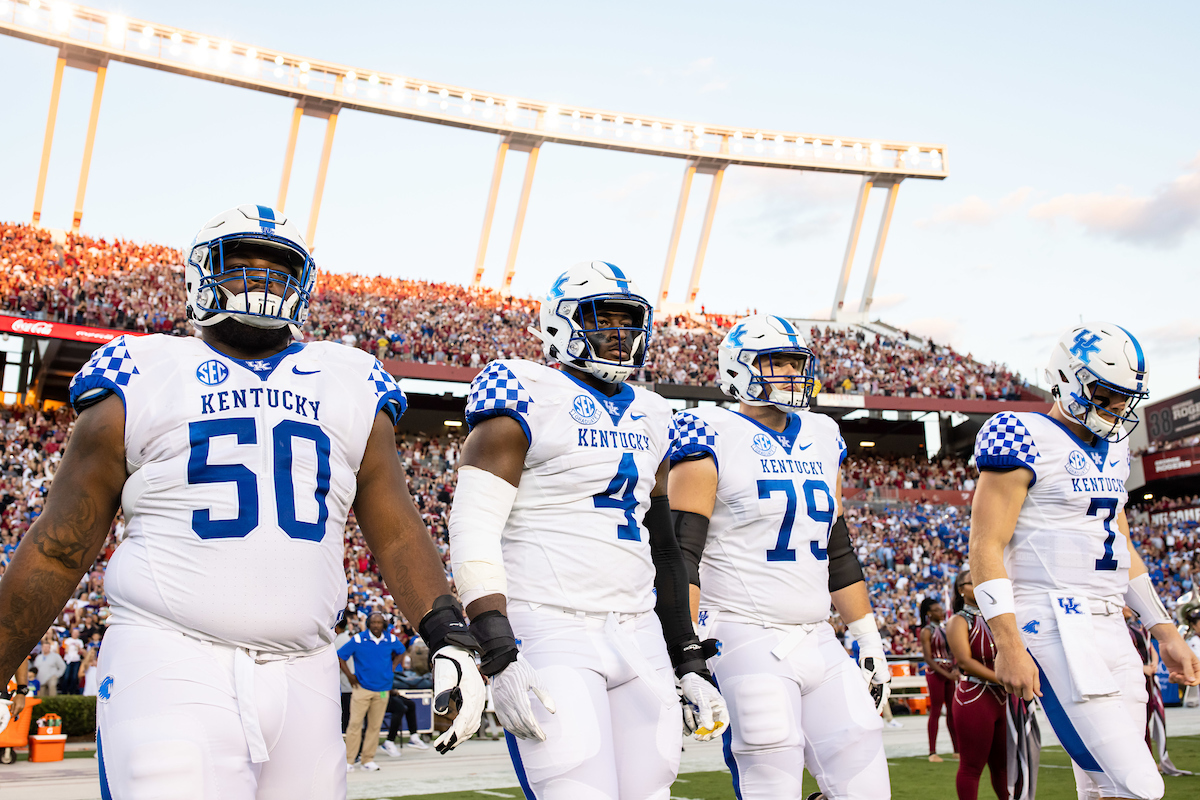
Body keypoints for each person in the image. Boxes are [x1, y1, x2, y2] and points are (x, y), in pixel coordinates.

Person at [0, 205, 486, 800]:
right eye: (243, 264)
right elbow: (59, 545)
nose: (260, 279)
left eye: (276, 268)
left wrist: (445, 630)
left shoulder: (348, 379)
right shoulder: (143, 371)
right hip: (172, 659)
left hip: (307, 669)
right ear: (201, 275)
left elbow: (397, 529)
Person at [448, 261, 727, 800]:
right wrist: (498, 647)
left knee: (652, 790)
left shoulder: (655, 412)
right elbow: (473, 526)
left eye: (630, 322)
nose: (620, 334)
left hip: (638, 627)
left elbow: (666, 548)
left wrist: (687, 656)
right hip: (550, 624)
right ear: (561, 324)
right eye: (605, 319)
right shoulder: (525, 388)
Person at [969, 322, 1200, 800]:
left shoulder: (1115, 447)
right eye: (1106, 393)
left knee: (1104, 789)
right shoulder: (1020, 432)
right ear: (1067, 376)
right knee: (1140, 786)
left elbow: (1121, 543)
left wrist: (1167, 631)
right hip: (1052, 621)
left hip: (1112, 625)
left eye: (1124, 398)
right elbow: (985, 545)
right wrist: (1008, 644)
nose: (1117, 408)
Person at [667, 314, 891, 800]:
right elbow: (682, 553)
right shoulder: (708, 430)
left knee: (866, 774)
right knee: (771, 771)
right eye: (776, 363)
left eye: (796, 363)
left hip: (818, 635)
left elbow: (837, 545)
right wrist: (685, 651)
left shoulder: (824, 432)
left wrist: (868, 637)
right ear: (739, 368)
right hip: (743, 631)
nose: (791, 374)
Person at [946, 569, 1008, 800]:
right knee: (971, 768)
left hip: (1003, 698)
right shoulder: (958, 620)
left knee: (1004, 768)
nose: (978, 585)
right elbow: (965, 662)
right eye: (971, 583)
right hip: (974, 696)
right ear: (961, 589)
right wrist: (1003, 679)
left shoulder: (998, 619)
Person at [338, 611, 407, 771]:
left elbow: (401, 650)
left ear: (384, 624)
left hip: (383, 689)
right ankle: (349, 760)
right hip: (361, 688)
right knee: (355, 724)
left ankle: (367, 760)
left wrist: (392, 666)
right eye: (374, 622)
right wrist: (349, 676)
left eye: (379, 622)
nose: (376, 625)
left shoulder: (390, 639)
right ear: (369, 623)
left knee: (375, 726)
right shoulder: (358, 639)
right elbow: (341, 656)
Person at [921, 597, 960, 763]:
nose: (941, 612)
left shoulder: (946, 628)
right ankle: (932, 752)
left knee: (952, 712)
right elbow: (928, 658)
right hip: (936, 672)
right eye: (937, 610)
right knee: (936, 711)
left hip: (949, 671)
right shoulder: (926, 631)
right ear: (929, 613)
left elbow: (954, 651)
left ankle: (957, 750)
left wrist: (956, 668)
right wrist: (948, 674)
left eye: (941, 609)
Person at [62, 627, 84, 695]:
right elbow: (65, 649)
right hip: (68, 660)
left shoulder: (80, 641)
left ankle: (72, 691)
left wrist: (79, 649)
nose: (75, 634)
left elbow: (81, 652)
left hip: (76, 660)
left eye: (76, 633)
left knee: (74, 677)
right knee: (66, 676)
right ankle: (64, 691)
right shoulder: (68, 640)